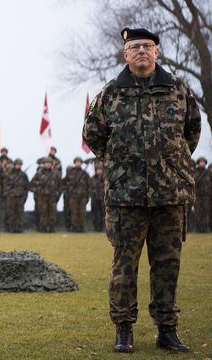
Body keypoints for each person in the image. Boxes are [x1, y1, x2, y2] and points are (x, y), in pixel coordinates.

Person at [83, 27, 202, 353]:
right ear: (125, 54)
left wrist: (171, 165)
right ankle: (124, 330)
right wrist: (119, 163)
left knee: (167, 266)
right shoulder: (111, 94)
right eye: (134, 47)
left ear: (157, 52)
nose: (141, 52)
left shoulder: (178, 90)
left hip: (170, 196)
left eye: (147, 46)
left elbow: (192, 131)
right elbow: (92, 134)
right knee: (124, 266)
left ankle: (167, 329)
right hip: (126, 197)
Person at [30, 158, 60, 232]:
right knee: (43, 212)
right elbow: (32, 183)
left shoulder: (56, 173)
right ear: (44, 164)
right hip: (42, 196)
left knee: (52, 212)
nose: (48, 164)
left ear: (51, 164)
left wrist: (58, 192)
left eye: (49, 163)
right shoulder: (39, 173)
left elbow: (60, 184)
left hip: (52, 196)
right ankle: (43, 227)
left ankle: (51, 227)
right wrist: (38, 187)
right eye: (46, 163)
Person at [63, 157, 90, 232]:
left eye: (79, 162)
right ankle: (75, 227)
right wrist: (69, 188)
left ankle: (81, 227)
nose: (78, 163)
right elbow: (64, 183)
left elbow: (89, 186)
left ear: (81, 163)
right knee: (73, 212)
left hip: (82, 197)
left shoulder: (85, 174)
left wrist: (88, 196)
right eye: (76, 162)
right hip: (73, 196)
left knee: (82, 213)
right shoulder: (70, 172)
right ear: (74, 163)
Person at [2, 159, 29, 232]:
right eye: (17, 164)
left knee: (19, 213)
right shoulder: (9, 174)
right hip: (11, 196)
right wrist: (7, 192)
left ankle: (19, 228)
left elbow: (26, 186)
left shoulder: (23, 175)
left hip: (20, 196)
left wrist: (24, 196)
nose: (18, 166)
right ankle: (11, 228)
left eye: (20, 165)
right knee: (11, 213)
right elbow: (4, 185)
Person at [194, 158, 210, 232]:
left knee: (206, 212)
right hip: (197, 195)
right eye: (200, 162)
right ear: (198, 163)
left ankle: (205, 228)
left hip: (206, 195)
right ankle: (199, 228)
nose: (202, 163)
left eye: (203, 162)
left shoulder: (208, 172)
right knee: (198, 212)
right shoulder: (195, 171)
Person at [90, 163, 105, 232]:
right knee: (95, 214)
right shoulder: (92, 178)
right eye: (97, 170)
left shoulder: (105, 178)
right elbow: (89, 188)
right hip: (94, 199)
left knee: (103, 214)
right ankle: (96, 228)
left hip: (103, 199)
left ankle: (103, 228)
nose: (99, 171)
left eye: (100, 170)